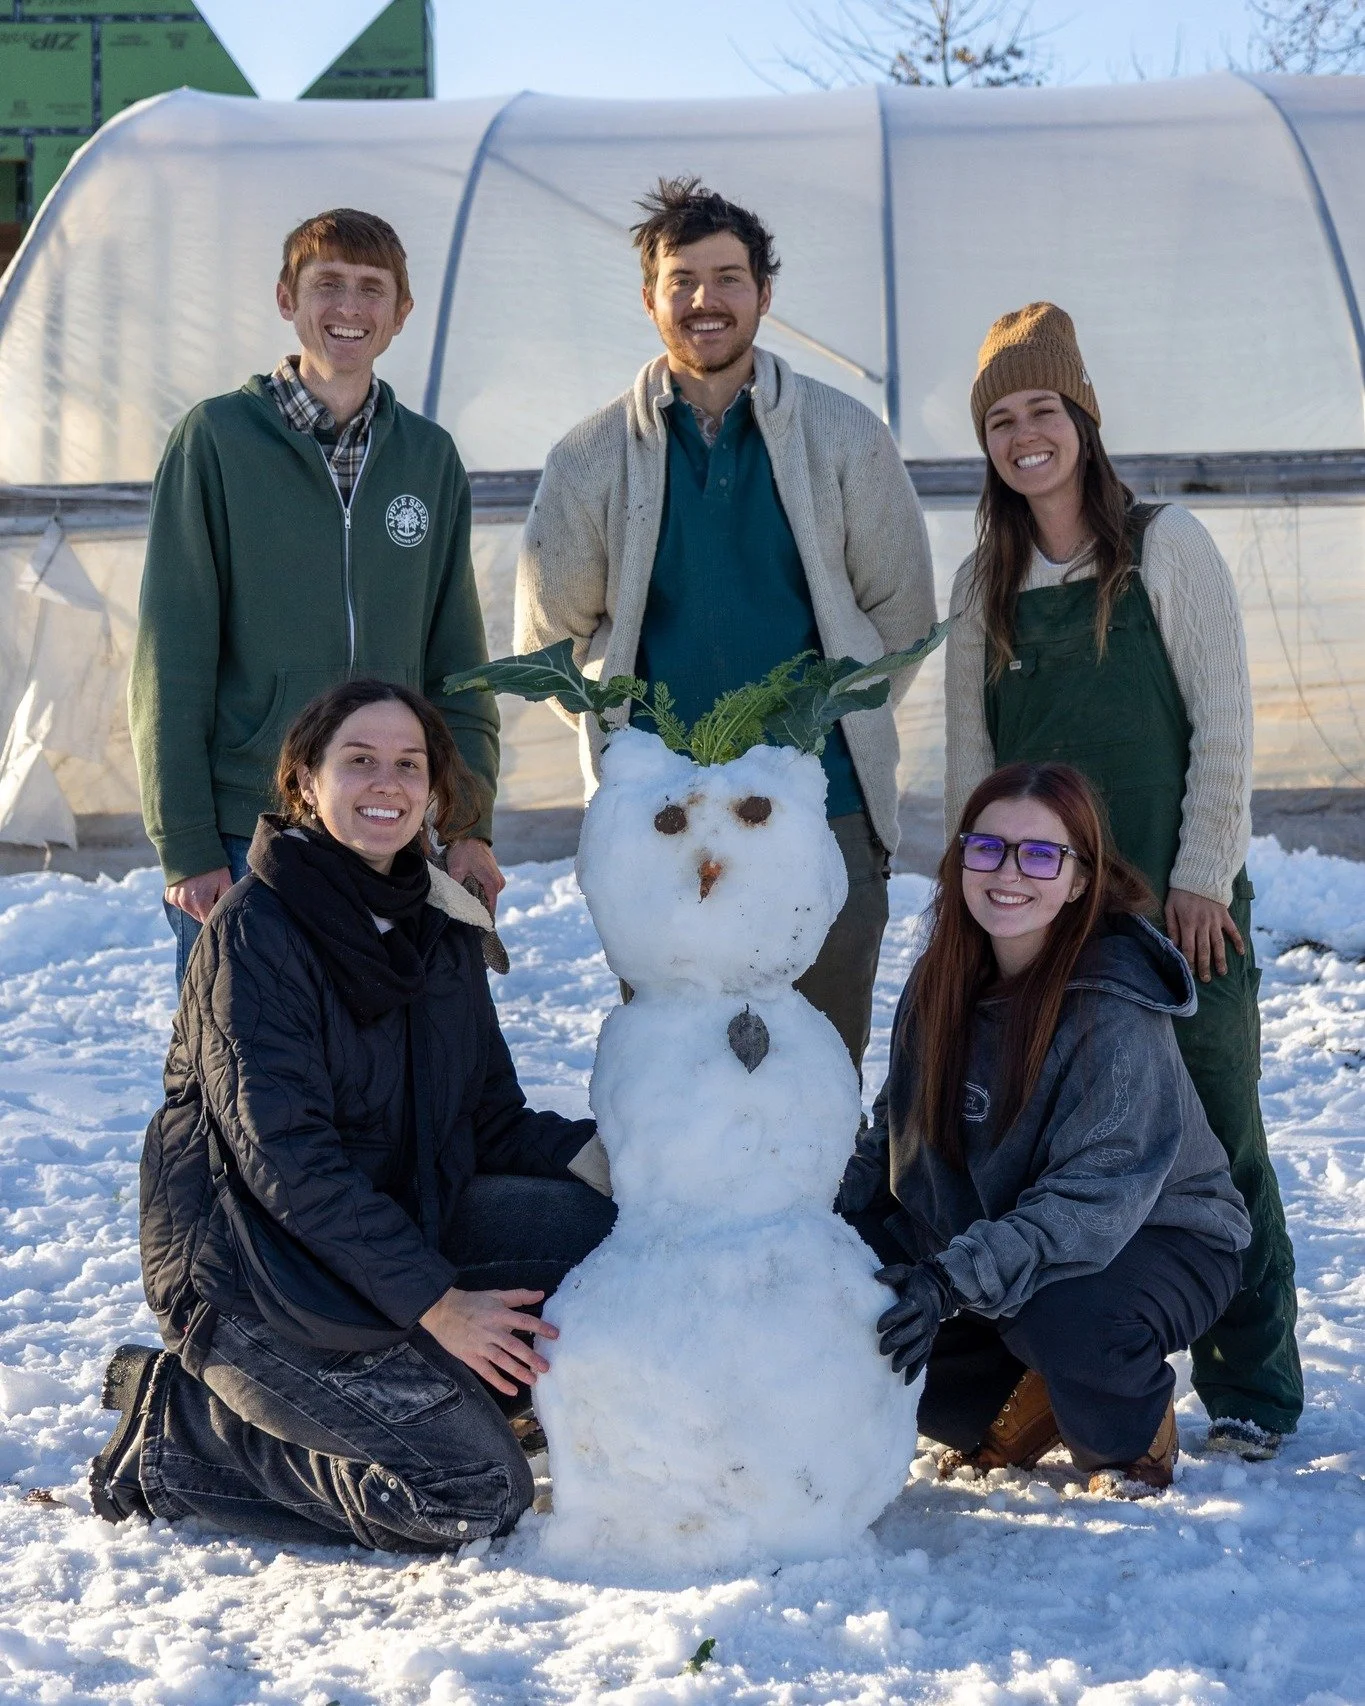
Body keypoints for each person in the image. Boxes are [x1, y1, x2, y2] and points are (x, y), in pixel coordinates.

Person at [91, 680, 614, 1550]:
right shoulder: (255, 933)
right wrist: (440, 1306)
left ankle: (452, 1389)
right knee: (474, 1493)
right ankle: (178, 1431)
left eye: (409, 765)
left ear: (435, 791)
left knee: (611, 1229)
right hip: (255, 1276)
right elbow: (287, 1165)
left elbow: (487, 1120)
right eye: (359, 761)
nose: (388, 783)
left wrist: (631, 1158)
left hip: (398, 1232)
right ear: (305, 782)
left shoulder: (440, 924)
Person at [941, 302, 1302, 1459]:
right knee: (1055, 1142)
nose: (1023, 434)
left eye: (1042, 408)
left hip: (1175, 913)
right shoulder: (982, 580)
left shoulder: (1164, 546)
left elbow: (1225, 729)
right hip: (1044, 918)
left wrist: (1203, 879)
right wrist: (972, 903)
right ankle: (1058, 1373)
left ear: (1084, 419)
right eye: (1001, 418)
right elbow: (968, 767)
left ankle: (1253, 1383)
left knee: (1216, 1128)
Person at [515, 177, 937, 1074]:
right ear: (649, 298)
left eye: (728, 277)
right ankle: (673, 1217)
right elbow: (553, 641)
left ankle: (815, 1213)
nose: (705, 299)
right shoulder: (590, 457)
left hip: (823, 804)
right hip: (657, 821)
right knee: (677, 1066)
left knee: (815, 1062)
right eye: (682, 279)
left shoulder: (844, 436)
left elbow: (900, 617)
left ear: (763, 294)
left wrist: (813, 733)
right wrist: (636, 756)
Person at [839, 762, 1251, 1497]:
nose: (1008, 873)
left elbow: (1089, 1202)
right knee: (837, 1279)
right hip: (999, 1225)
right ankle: (1015, 1404)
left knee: (1056, 1311)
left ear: (1080, 879)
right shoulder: (940, 979)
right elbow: (891, 1134)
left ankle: (1127, 1440)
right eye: (987, 848)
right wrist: (820, 1225)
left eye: (1039, 855)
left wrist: (945, 1283)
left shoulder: (1114, 1006)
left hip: (1155, 1236)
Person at [129, 207, 503, 990]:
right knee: (242, 1072)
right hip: (248, 831)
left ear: (400, 314)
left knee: (382, 1076)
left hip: (388, 828)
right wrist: (189, 844)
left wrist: (467, 826)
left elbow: (457, 664)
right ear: (284, 298)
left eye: (372, 289)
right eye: (326, 283)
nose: (349, 307)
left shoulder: (427, 457)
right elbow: (172, 657)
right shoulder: (218, 440)